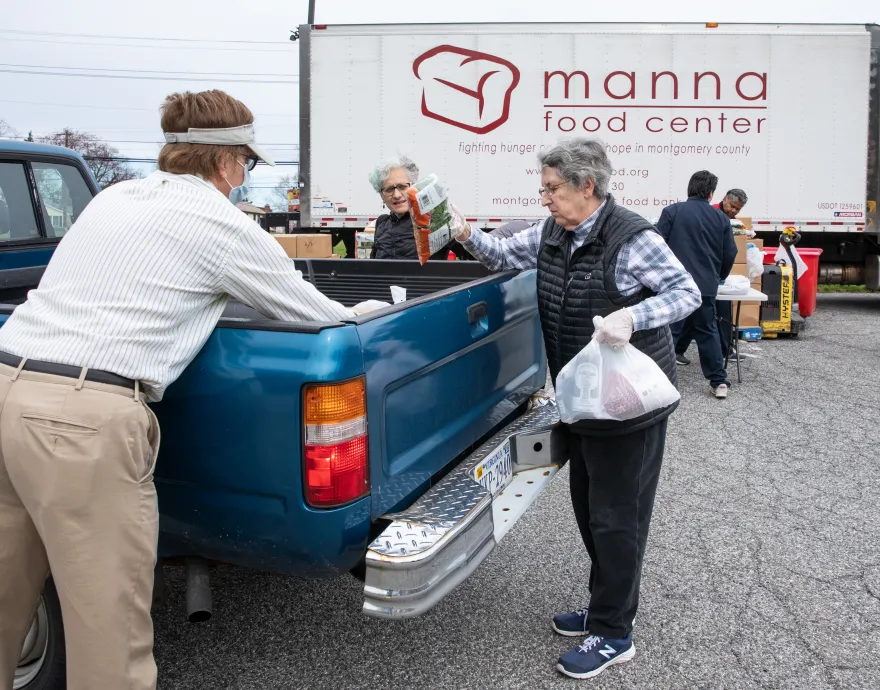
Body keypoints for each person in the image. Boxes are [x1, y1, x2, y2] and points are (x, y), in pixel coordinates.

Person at [0, 89, 356, 690]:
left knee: (6, 593)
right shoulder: (219, 221)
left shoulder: (113, 197)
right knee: (107, 626)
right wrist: (373, 310)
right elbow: (315, 313)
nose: (245, 176)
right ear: (224, 161)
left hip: (9, 386)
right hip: (84, 421)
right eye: (247, 162)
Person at [449, 138, 700, 680]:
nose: (545, 199)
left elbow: (687, 292)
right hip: (581, 400)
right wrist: (465, 231)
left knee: (618, 518)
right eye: (542, 189)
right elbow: (501, 255)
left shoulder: (631, 237)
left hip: (628, 405)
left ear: (587, 185)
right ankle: (605, 603)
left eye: (552, 189)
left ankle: (614, 633)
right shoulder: (552, 234)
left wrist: (634, 317)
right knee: (591, 510)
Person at [657, 171, 738, 399]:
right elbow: (730, 252)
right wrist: (718, 275)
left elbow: (657, 246)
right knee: (707, 331)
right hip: (705, 286)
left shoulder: (672, 211)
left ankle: (659, 381)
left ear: (689, 189)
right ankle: (718, 382)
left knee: (669, 332)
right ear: (711, 193)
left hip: (674, 285)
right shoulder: (721, 218)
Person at [367, 156, 465, 260]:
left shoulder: (434, 220)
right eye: (389, 189)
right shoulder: (382, 223)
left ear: (415, 187)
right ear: (382, 195)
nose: (396, 195)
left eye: (402, 187)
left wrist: (463, 231)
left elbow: (473, 257)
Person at [711, 189, 748, 357]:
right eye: (732, 206)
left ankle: (678, 350)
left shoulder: (734, 222)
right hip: (713, 272)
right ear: (724, 199)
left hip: (719, 271)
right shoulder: (712, 212)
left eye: (737, 209)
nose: (733, 211)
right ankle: (726, 350)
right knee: (722, 310)